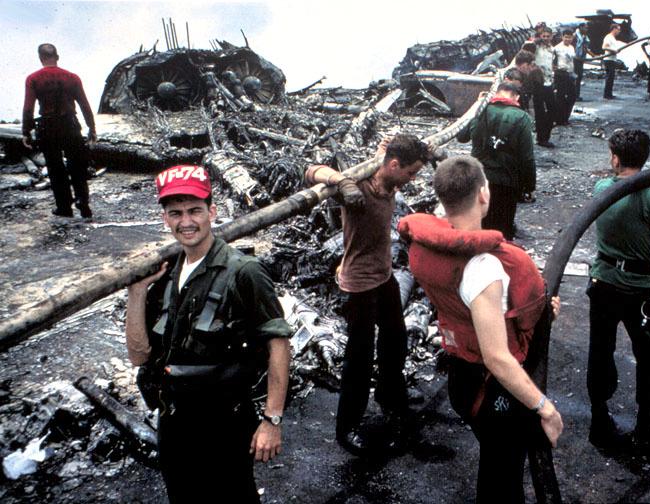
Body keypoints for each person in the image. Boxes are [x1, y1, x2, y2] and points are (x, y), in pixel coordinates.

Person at [398, 155, 563, 504]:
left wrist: (541, 316)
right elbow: (497, 357)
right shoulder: (484, 266)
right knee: (502, 480)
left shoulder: (424, 245)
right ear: (484, 194)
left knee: (496, 467)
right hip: (491, 391)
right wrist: (545, 409)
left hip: (459, 376)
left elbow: (466, 308)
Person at [124, 165, 292, 503]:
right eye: (176, 213)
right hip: (173, 421)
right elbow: (140, 356)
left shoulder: (244, 271)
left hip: (224, 423)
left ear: (212, 212)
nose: (186, 221)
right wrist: (137, 292)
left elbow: (278, 343)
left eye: (194, 211)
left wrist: (272, 420)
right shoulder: (166, 274)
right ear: (165, 219)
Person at [305, 135, 432, 455]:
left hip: (385, 277)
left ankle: (390, 398)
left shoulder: (386, 175)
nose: (412, 180)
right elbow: (310, 172)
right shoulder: (358, 187)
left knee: (395, 341)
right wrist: (340, 181)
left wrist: (386, 146)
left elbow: (388, 155)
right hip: (359, 284)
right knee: (358, 360)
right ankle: (347, 428)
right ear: (393, 166)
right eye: (411, 172)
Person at [586, 130, 650, 454]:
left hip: (602, 284)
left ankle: (599, 418)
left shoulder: (601, 189)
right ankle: (646, 427)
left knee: (600, 351)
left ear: (615, 159)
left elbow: (626, 191)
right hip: (638, 292)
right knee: (649, 357)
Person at [22, 43, 96, 219]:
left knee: (55, 167)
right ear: (57, 56)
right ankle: (82, 202)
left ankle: (64, 207)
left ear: (41, 59)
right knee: (77, 164)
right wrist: (91, 127)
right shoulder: (72, 77)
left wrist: (26, 131)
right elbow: (85, 105)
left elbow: (28, 109)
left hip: (47, 128)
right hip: (70, 124)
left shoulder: (33, 79)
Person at [456, 82, 536, 240]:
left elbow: (461, 137)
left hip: (478, 179)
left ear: (495, 93)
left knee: (478, 230)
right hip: (507, 183)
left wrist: (476, 105)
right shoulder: (522, 117)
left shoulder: (480, 111)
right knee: (501, 234)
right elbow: (527, 157)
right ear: (517, 97)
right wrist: (529, 186)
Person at [531, 26, 557, 148]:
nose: (546, 38)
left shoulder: (552, 49)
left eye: (548, 36)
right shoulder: (536, 47)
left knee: (552, 109)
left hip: (549, 81)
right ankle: (542, 138)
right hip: (538, 82)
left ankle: (544, 134)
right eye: (544, 36)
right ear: (540, 36)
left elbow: (551, 64)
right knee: (540, 111)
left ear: (551, 36)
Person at [553, 29, 577, 125]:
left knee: (572, 96)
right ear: (562, 37)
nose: (567, 39)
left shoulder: (571, 47)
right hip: (560, 74)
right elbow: (553, 63)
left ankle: (565, 117)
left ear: (572, 38)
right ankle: (560, 119)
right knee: (561, 97)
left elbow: (572, 61)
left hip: (570, 74)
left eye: (569, 37)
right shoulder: (557, 48)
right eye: (566, 37)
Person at [602, 24, 624, 100]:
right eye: (618, 29)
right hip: (608, 60)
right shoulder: (608, 37)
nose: (619, 31)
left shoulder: (613, 38)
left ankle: (609, 94)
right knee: (609, 77)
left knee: (611, 78)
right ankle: (606, 95)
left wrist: (617, 50)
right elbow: (604, 47)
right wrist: (614, 50)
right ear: (614, 29)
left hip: (612, 59)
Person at [574, 23, 591, 101]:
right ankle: (574, 95)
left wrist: (594, 56)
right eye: (585, 28)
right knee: (575, 78)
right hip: (575, 59)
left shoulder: (584, 37)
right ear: (580, 27)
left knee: (579, 77)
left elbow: (585, 48)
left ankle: (577, 95)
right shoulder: (575, 36)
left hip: (580, 60)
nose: (587, 30)